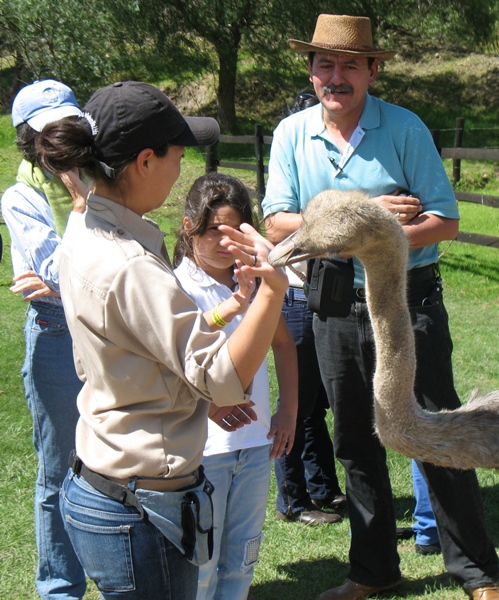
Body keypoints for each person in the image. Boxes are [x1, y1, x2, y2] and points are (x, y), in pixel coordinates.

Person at [262, 14, 499, 600]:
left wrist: (368, 231)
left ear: (372, 69)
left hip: (406, 306)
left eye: (350, 64)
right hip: (334, 308)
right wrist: (369, 219)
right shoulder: (291, 134)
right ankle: (372, 571)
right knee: (354, 439)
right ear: (311, 70)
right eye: (326, 64)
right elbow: (277, 221)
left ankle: (477, 574)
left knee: (437, 430)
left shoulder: (405, 128)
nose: (336, 76)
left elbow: (445, 222)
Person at [36, 81, 289, 600]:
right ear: (145, 161)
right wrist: (271, 289)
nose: (182, 171)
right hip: (141, 509)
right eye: (178, 155)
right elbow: (226, 379)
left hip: (106, 483)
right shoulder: (129, 265)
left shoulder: (86, 226)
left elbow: (145, 346)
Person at [172, 172, 298, 599]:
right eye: (213, 232)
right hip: (202, 451)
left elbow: (284, 344)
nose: (225, 245)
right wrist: (233, 306)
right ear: (189, 227)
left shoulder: (255, 280)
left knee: (242, 559)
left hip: (255, 445)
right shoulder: (176, 286)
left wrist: (288, 410)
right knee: (201, 566)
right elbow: (177, 354)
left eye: (234, 232)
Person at [1, 79, 87, 600]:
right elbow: (54, 265)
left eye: (68, 126)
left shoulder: (101, 178)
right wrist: (83, 210)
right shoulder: (21, 196)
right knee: (59, 473)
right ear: (29, 140)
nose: (60, 140)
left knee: (114, 463)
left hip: (108, 329)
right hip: (57, 333)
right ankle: (60, 590)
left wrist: (63, 275)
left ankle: (118, 574)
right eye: (48, 132)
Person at [274, 88, 346, 526]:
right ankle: (293, 499)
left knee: (315, 403)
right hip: (298, 297)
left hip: (326, 299)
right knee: (296, 403)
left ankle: (324, 489)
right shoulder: (292, 179)